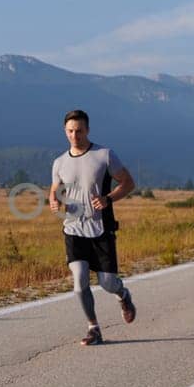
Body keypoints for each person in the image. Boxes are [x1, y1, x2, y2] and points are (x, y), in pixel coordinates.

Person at [47, 109, 137, 346]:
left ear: (87, 130)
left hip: (101, 228)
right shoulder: (59, 162)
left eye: (79, 131)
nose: (74, 135)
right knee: (80, 281)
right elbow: (55, 189)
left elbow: (128, 183)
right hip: (73, 229)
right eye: (70, 131)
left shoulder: (104, 155)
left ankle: (123, 295)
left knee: (107, 283)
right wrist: (53, 200)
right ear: (65, 131)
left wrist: (108, 198)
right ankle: (94, 328)